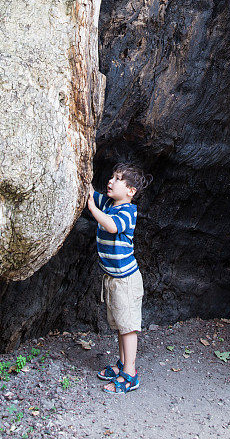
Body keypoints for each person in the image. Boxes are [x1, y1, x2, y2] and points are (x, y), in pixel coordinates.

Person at [87, 162, 152, 394]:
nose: (110, 181)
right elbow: (90, 192)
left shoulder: (127, 211)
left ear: (131, 191)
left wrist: (93, 210)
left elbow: (112, 226)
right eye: (111, 177)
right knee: (120, 326)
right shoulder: (109, 202)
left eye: (117, 179)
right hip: (113, 279)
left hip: (126, 281)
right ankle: (122, 364)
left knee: (128, 328)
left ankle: (130, 374)